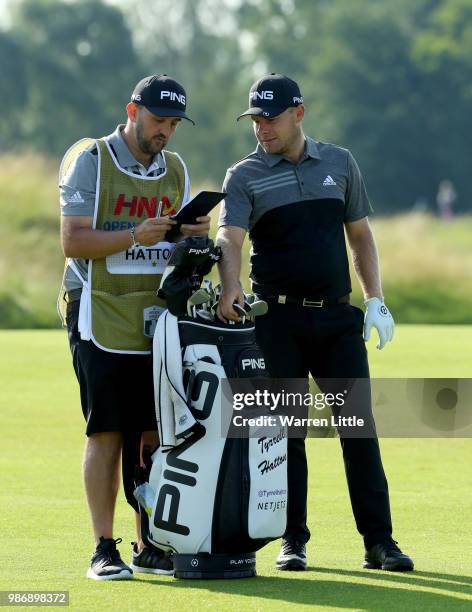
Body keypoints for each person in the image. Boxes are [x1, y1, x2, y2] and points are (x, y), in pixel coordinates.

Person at [216, 73, 413, 572]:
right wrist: (231, 286)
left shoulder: (340, 163)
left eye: (271, 118)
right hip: (274, 320)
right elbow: (231, 240)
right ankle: (293, 539)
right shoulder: (243, 176)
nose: (262, 128)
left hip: (335, 320)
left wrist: (375, 300)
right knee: (287, 433)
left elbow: (361, 237)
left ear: (298, 114)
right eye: (255, 120)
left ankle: (379, 541)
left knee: (358, 430)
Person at [59, 74, 210, 580]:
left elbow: (175, 247)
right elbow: (73, 242)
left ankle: (151, 541)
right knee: (105, 430)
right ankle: (104, 548)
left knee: (151, 431)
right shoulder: (92, 160)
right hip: (96, 309)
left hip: (154, 315)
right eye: (157, 120)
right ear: (132, 111)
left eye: (172, 124)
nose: (164, 131)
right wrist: (133, 236)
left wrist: (192, 236)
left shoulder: (176, 169)